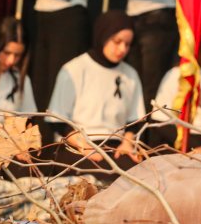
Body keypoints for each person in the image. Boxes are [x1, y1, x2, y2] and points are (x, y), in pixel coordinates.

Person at [46, 11, 143, 163]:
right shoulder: (74, 69)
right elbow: (57, 122)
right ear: (103, 36)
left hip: (116, 147)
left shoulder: (131, 74)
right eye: (117, 42)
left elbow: (135, 121)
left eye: (127, 44)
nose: (122, 49)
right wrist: (84, 146)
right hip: (79, 145)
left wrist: (127, 143)